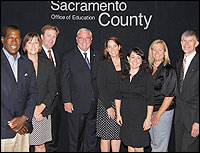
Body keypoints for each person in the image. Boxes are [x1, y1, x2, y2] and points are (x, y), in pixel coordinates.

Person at [60, 27, 100, 152]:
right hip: (76, 104)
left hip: (94, 105)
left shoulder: (98, 55)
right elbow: (64, 80)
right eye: (81, 38)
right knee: (75, 138)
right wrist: (66, 101)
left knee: (91, 138)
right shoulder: (68, 56)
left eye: (87, 38)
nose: (84, 41)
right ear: (76, 40)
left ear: (91, 40)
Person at [1, 25, 38, 152]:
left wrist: (24, 118)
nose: (14, 42)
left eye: (17, 38)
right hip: (3, 131)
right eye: (10, 38)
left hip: (23, 129)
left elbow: (33, 93)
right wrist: (12, 123)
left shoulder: (27, 64)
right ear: (2, 39)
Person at [22, 32, 57, 152]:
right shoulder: (19, 64)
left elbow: (52, 90)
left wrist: (40, 108)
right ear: (25, 46)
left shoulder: (47, 64)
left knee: (40, 146)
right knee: (22, 147)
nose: (33, 45)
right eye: (29, 42)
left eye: (36, 42)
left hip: (41, 113)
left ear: (40, 45)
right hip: (23, 114)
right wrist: (30, 110)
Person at [115, 47, 154, 152]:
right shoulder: (123, 76)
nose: (135, 60)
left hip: (140, 116)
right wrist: (118, 114)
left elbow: (150, 99)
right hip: (126, 115)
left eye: (138, 58)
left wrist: (148, 119)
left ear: (142, 61)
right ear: (128, 58)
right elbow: (118, 96)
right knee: (129, 144)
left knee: (138, 145)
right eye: (132, 57)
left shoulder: (147, 77)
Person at [148, 39, 177, 152]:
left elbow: (169, 96)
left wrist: (158, 114)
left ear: (165, 52)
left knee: (159, 147)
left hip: (162, 112)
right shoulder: (149, 69)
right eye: (154, 50)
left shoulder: (168, 70)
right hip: (151, 111)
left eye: (160, 50)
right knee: (154, 144)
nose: (157, 52)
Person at [96, 37, 124, 152]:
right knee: (106, 136)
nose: (112, 49)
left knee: (117, 135)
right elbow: (100, 86)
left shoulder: (126, 63)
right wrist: (108, 107)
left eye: (114, 46)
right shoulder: (103, 64)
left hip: (122, 104)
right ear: (106, 49)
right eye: (109, 46)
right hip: (106, 104)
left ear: (119, 47)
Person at [174, 30, 199, 152]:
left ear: (197, 43)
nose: (187, 44)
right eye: (184, 41)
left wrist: (198, 121)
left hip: (193, 118)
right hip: (179, 118)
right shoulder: (179, 64)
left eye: (190, 41)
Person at [39, 24, 62, 152]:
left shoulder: (57, 55)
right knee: (38, 140)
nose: (51, 39)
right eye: (48, 36)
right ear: (42, 37)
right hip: (41, 104)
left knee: (53, 138)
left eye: (54, 37)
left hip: (56, 103)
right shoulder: (35, 54)